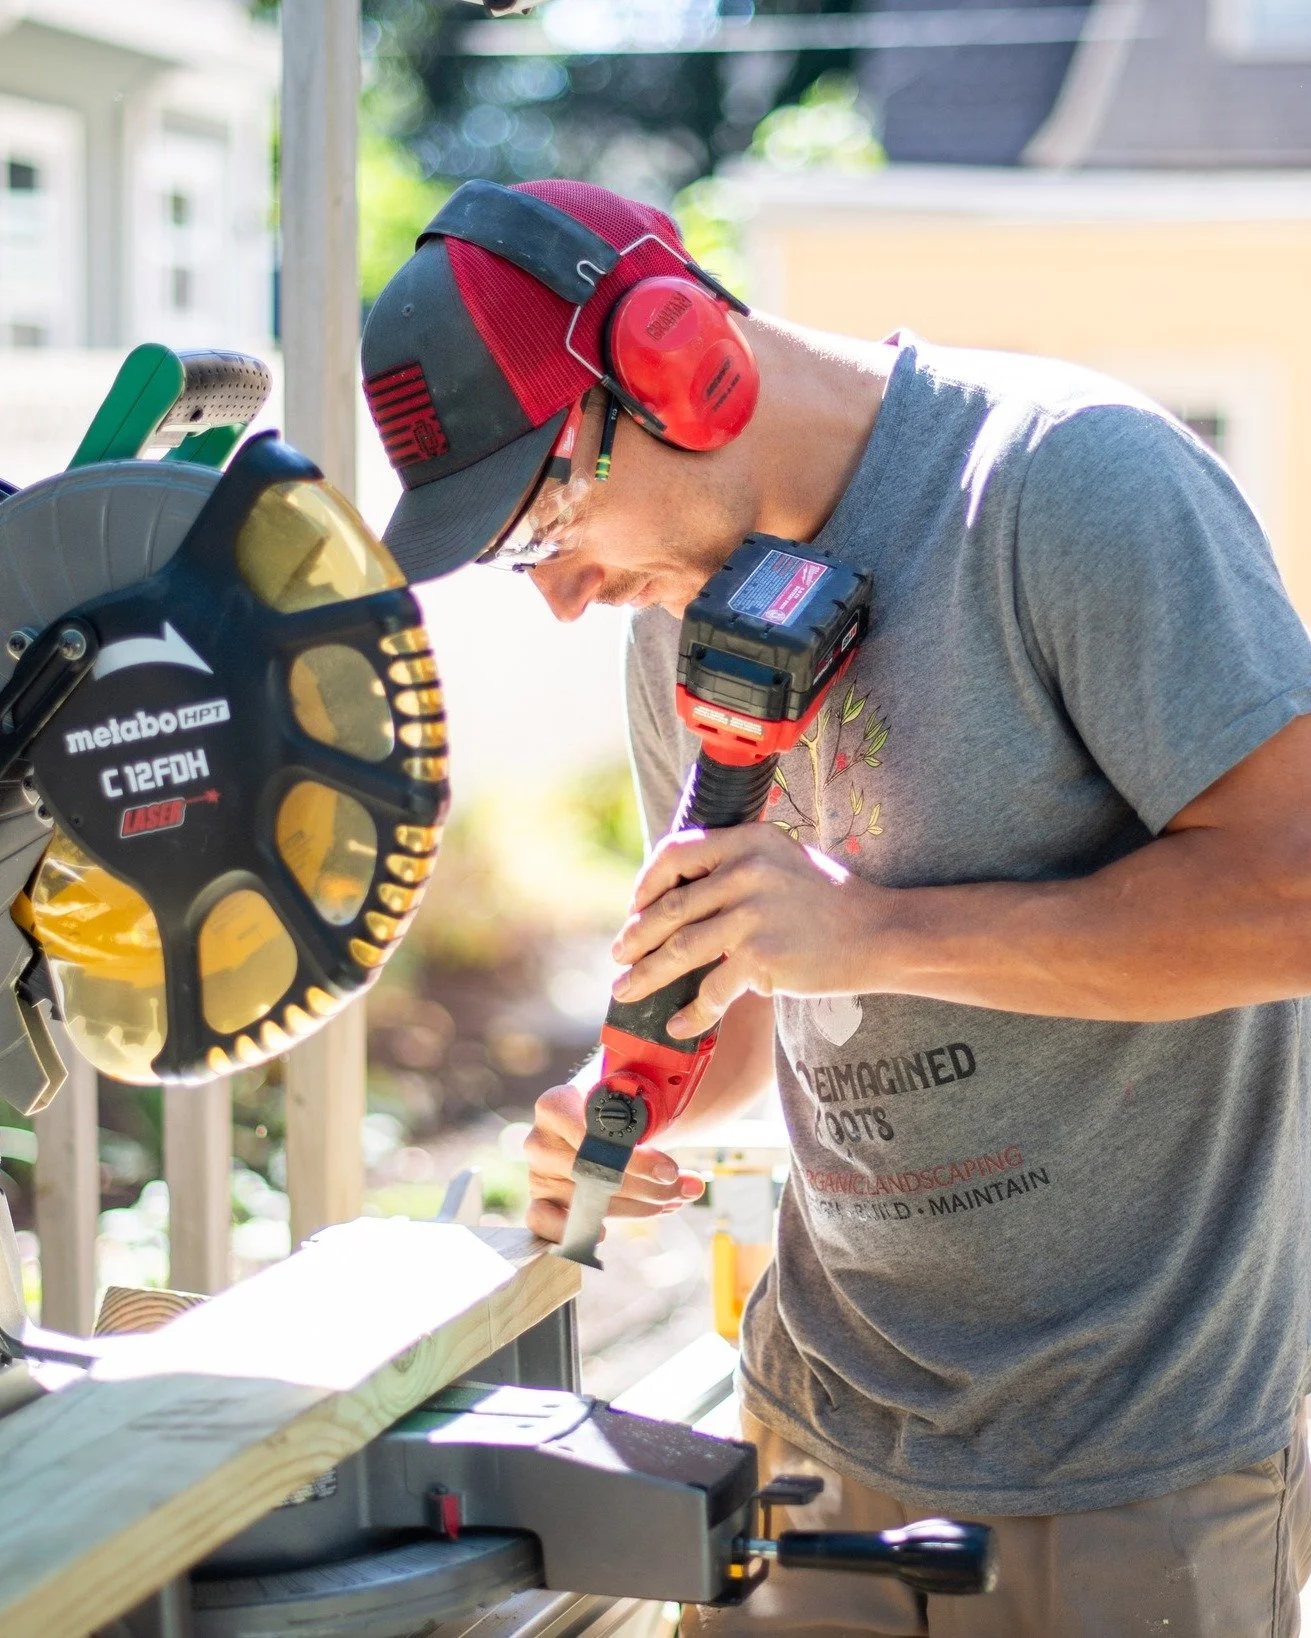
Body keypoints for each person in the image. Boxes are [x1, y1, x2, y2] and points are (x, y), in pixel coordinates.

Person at [361, 178, 1311, 1636]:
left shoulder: (1067, 485)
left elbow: (1287, 893)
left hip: (1130, 1461)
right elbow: (763, 985)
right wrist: (646, 1108)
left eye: (549, 504)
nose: (559, 593)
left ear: (678, 360)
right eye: (512, 551)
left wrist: (867, 932)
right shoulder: (677, 608)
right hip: (815, 1424)